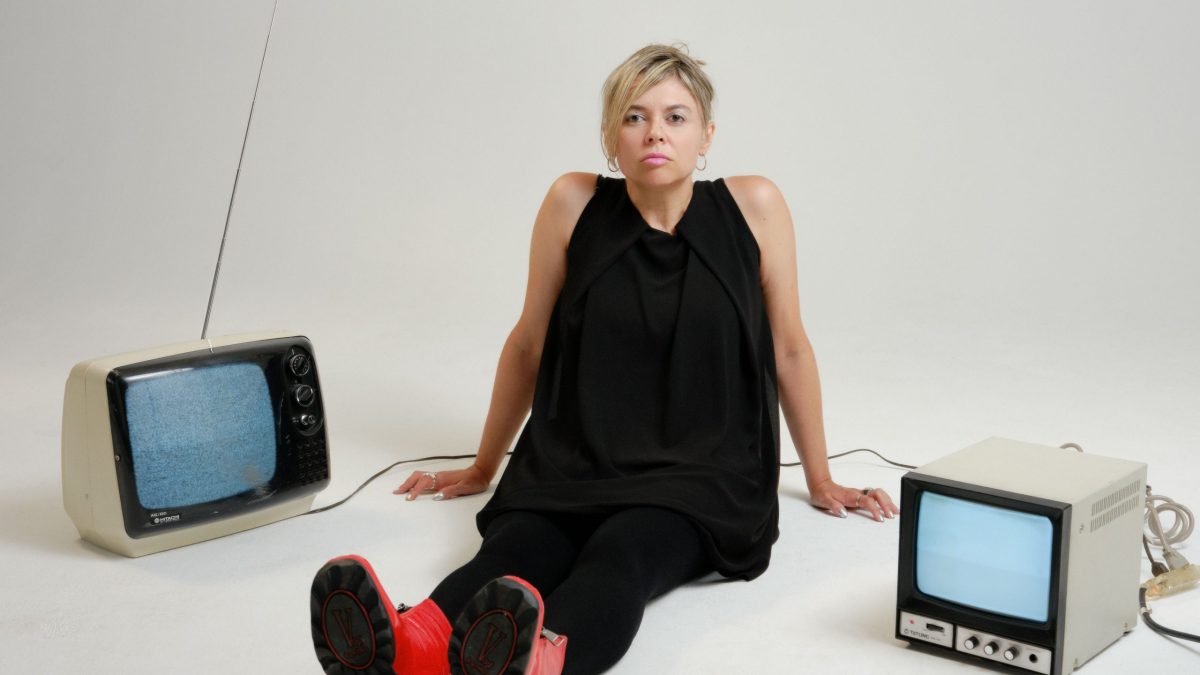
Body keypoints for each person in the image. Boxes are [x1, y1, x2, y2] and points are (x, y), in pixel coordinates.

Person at [310, 43, 898, 675]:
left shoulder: (754, 207)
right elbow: (528, 342)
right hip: (574, 456)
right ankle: (410, 645)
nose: (655, 133)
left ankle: (536, 662)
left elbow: (789, 347)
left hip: (700, 471)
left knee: (621, 556)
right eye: (634, 116)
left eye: (676, 117)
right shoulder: (573, 202)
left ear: (706, 135)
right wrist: (484, 465)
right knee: (512, 553)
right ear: (610, 136)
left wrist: (819, 479)